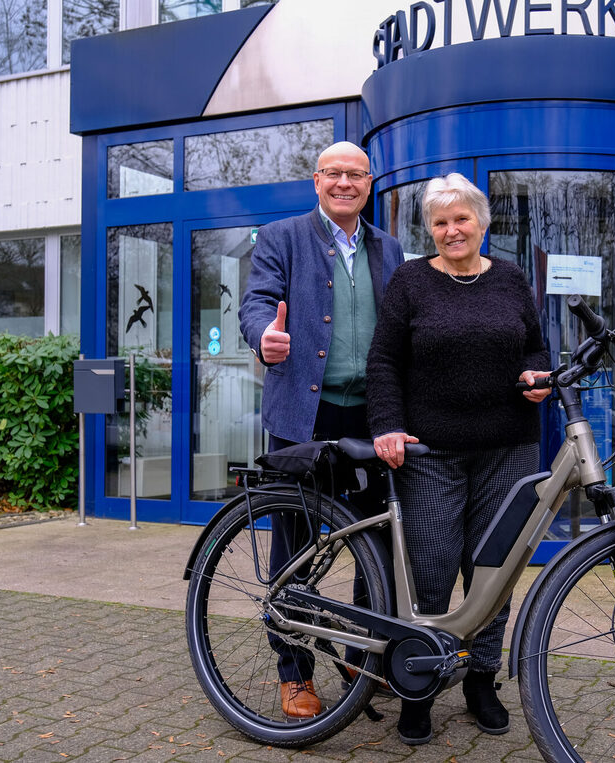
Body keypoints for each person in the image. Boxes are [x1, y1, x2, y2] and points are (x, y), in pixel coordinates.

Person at [366, 172, 551, 745]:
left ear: (481, 222)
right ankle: (417, 685)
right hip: (431, 452)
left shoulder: (512, 278)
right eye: (440, 223)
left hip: (507, 451)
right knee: (429, 571)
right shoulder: (410, 280)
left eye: (461, 219)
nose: (451, 230)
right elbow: (384, 362)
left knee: (492, 576)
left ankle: (480, 681)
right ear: (431, 230)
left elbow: (535, 347)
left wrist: (538, 376)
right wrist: (389, 426)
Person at [238, 140, 404, 719]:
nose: (344, 183)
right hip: (303, 421)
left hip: (372, 418)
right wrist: (265, 336)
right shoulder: (281, 237)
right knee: (297, 548)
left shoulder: (389, 247)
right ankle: (295, 673)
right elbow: (256, 302)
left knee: (376, 545)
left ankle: (364, 660)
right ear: (316, 181)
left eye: (355, 175)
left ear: (369, 183)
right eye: (333, 173)